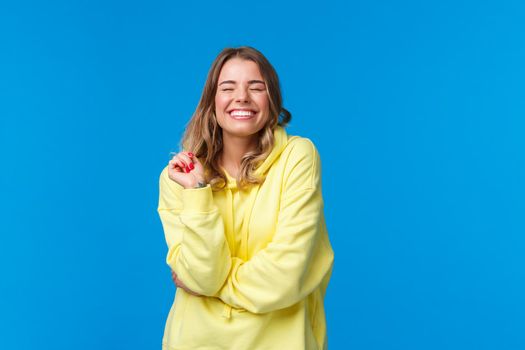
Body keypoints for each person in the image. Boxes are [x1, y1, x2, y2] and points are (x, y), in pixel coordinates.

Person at [157, 46, 334, 350]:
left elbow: (286, 276)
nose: (242, 97)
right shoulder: (181, 176)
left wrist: (216, 285)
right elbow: (204, 275)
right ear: (212, 101)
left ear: (272, 99)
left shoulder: (298, 157)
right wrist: (198, 193)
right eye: (228, 87)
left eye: (256, 87)